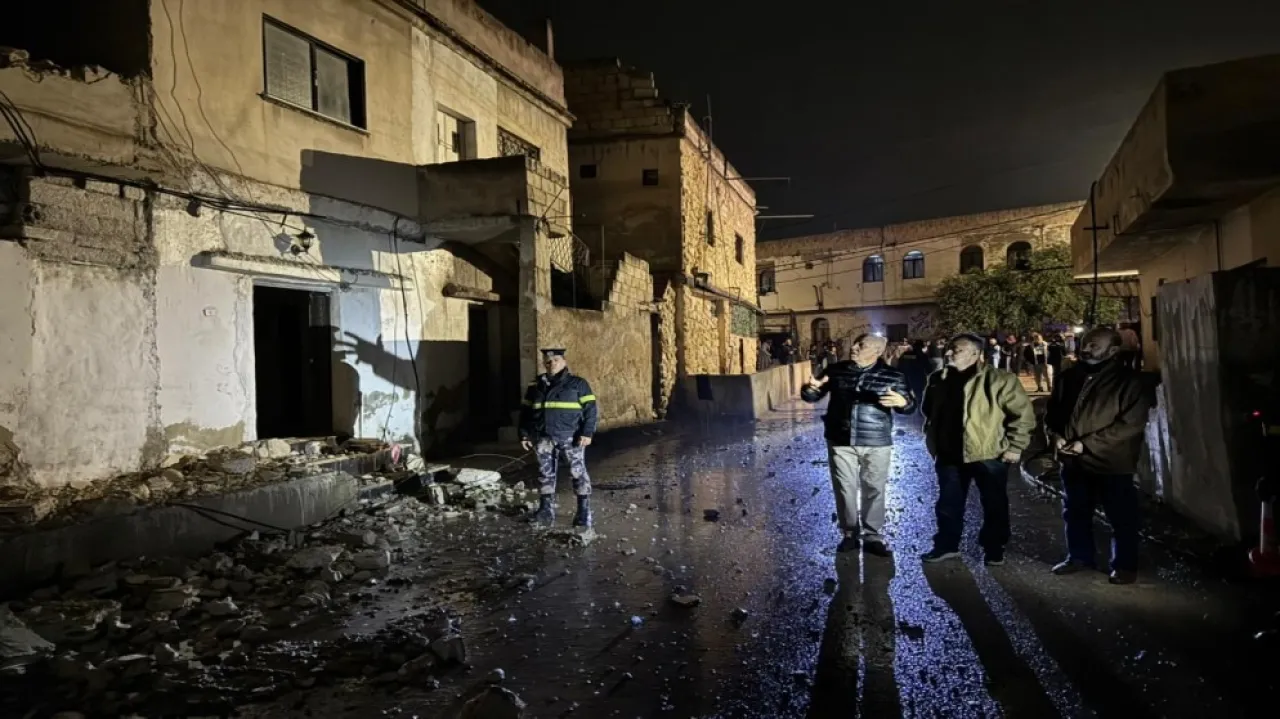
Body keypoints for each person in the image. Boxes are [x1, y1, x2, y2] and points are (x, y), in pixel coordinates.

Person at [1044, 327, 1154, 585]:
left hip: (1112, 463)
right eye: (1085, 342)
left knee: (1121, 517)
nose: (1087, 347)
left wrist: (1087, 444)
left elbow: (1131, 424)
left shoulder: (1129, 381)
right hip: (1073, 462)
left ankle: (1124, 566)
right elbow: (1053, 413)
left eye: (1094, 344)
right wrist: (1055, 435)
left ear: (1113, 350)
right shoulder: (1068, 377)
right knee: (1075, 512)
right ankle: (1079, 557)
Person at [920, 334, 1036, 565]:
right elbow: (929, 411)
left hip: (988, 453)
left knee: (994, 505)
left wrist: (1015, 446)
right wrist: (935, 441)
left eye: (957, 350)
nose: (949, 353)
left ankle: (994, 548)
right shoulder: (937, 379)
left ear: (975, 354)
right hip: (949, 453)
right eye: (949, 349)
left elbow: (1023, 416)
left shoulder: (1000, 380)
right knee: (948, 504)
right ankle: (946, 545)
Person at [801, 334, 916, 556]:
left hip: (876, 441)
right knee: (845, 489)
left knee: (874, 488)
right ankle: (849, 533)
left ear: (877, 351)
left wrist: (905, 403)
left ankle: (873, 535)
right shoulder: (836, 370)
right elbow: (812, 396)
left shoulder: (893, 375)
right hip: (840, 439)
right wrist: (811, 389)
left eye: (860, 345)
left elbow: (908, 405)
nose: (853, 347)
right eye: (855, 343)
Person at [519, 348, 599, 528]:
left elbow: (591, 410)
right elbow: (526, 413)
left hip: (571, 437)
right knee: (545, 474)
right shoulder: (535, 386)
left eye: (555, 360)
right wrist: (524, 434)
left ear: (563, 362)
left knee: (577, 472)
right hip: (544, 437)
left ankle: (583, 511)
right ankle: (545, 510)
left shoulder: (578, 384)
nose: (551, 363)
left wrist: (587, 433)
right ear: (544, 364)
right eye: (548, 361)